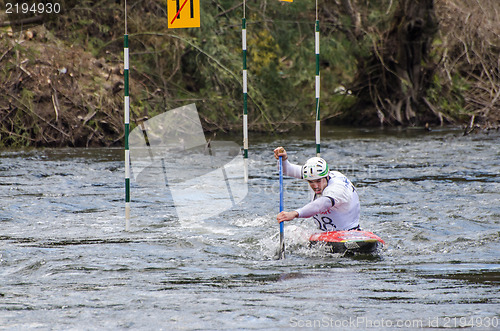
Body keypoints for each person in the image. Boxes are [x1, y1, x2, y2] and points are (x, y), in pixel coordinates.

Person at [274, 146, 361, 232]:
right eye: (311, 182)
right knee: (291, 231)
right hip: (324, 233)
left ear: (327, 176)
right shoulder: (314, 174)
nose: (315, 186)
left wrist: (295, 213)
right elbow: (287, 170)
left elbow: (321, 205)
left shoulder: (337, 187)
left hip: (349, 232)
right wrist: (283, 159)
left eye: (318, 181)